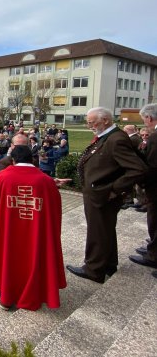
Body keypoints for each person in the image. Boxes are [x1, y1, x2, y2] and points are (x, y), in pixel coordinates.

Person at [67, 107, 147, 283]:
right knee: (105, 229)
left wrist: (114, 189)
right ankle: (109, 264)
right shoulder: (108, 137)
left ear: (105, 120)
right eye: (88, 122)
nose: (89, 126)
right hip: (98, 192)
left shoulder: (116, 139)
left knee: (97, 231)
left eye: (92, 122)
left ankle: (94, 269)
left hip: (103, 194)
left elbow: (137, 169)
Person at [0, 145, 66, 310]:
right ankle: (35, 294)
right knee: (35, 259)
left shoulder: (2, 179)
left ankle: (7, 296)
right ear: (32, 159)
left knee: (9, 260)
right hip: (36, 235)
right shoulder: (46, 182)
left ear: (13, 161)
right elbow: (54, 214)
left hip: (9, 234)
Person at [129, 104, 157, 273]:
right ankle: (153, 247)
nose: (144, 123)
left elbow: (152, 166)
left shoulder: (155, 138)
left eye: (144, 120)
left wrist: (143, 184)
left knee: (154, 220)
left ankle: (153, 255)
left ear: (149, 118)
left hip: (155, 188)